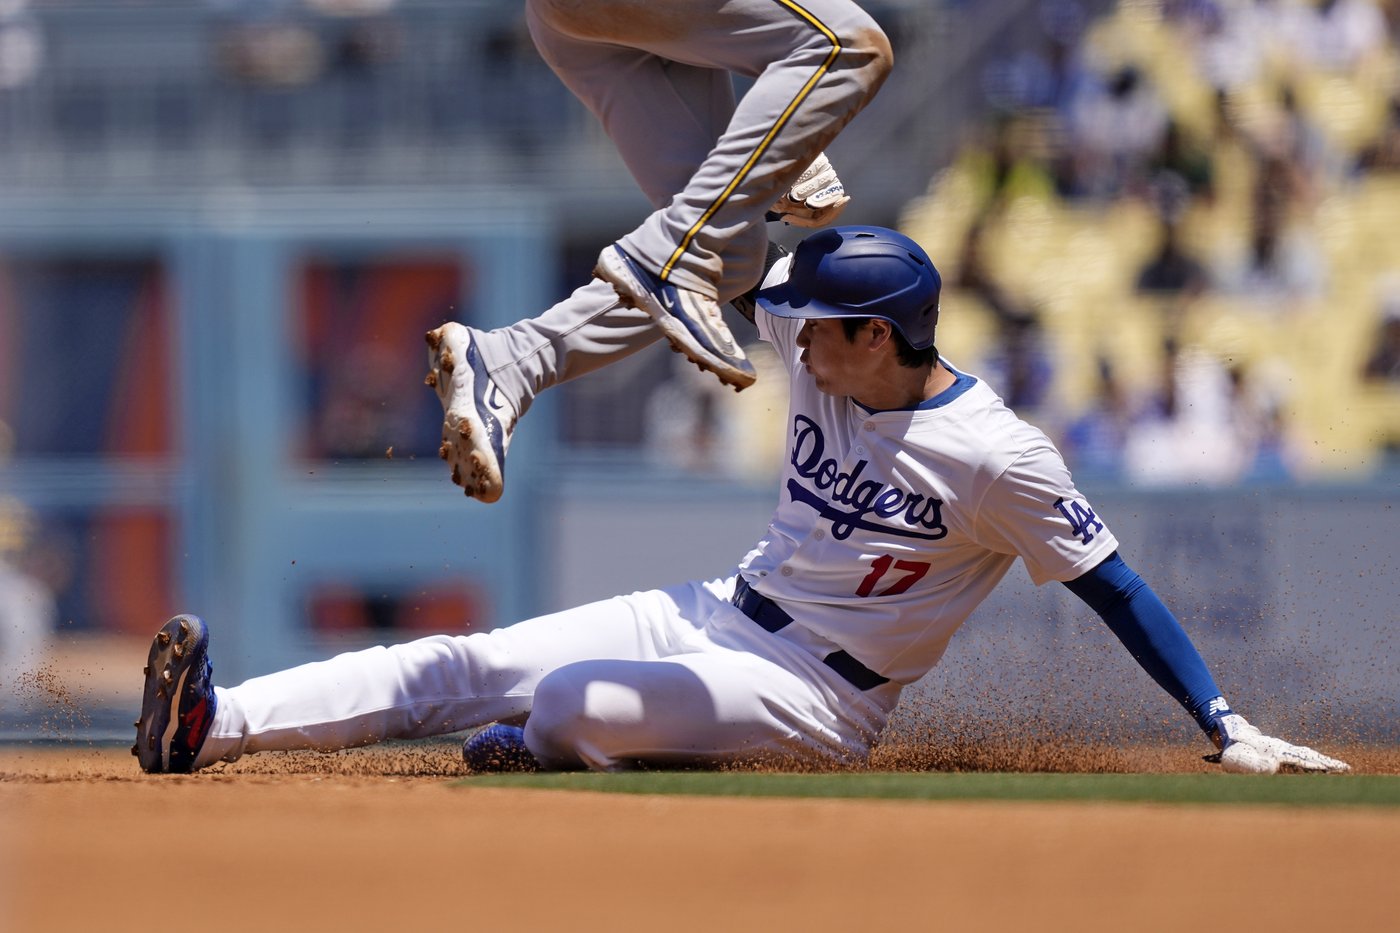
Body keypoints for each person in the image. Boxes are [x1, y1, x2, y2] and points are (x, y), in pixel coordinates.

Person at [134, 226, 1348, 777]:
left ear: (876, 337)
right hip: (713, 610)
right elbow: (716, 244)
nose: (791, 338)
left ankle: (559, 748)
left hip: (815, 694)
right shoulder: (826, 338)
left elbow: (1115, 585)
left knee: (560, 708)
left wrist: (1223, 721)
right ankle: (212, 724)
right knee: (465, 661)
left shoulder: (996, 457)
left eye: (818, 326)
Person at [429, 0, 894, 502]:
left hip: (598, 25)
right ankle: (676, 261)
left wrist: (787, 126)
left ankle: (510, 362)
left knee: (733, 256)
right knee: (847, 44)